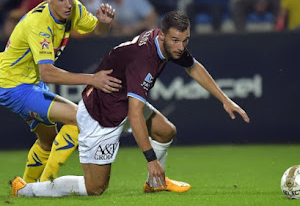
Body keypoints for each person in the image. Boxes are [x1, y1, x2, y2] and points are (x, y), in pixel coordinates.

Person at [10, 11, 250, 197]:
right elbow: (135, 115)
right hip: (101, 114)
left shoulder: (167, 44)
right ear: (163, 35)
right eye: (176, 40)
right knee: (95, 188)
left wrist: (224, 99)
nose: (181, 47)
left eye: (185, 40)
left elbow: (193, 67)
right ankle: (26, 189)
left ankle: (155, 184)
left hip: (121, 101)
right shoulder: (144, 59)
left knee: (166, 131)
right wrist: (151, 160)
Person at [0, 0, 122, 184]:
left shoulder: (75, 9)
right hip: (13, 84)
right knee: (78, 117)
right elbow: (48, 72)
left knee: (47, 141)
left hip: (30, 82)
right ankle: (47, 183)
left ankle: (25, 188)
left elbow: (96, 30)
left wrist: (103, 24)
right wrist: (92, 79)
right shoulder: (38, 23)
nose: (67, 4)